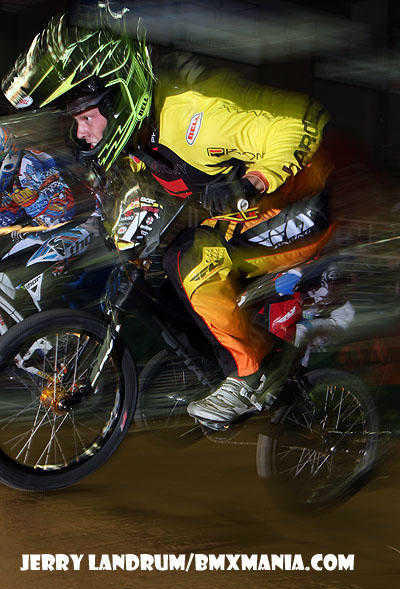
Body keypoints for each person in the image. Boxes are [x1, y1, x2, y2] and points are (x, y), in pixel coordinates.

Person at [2, 10, 337, 428]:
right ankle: (236, 357)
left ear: (118, 98)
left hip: (302, 199)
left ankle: (254, 372)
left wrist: (254, 180)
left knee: (192, 258)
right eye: (75, 122)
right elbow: (145, 190)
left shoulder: (198, 115)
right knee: (158, 269)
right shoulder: (145, 133)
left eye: (85, 118)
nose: (81, 134)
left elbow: (303, 122)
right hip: (252, 212)